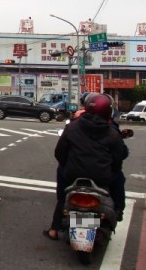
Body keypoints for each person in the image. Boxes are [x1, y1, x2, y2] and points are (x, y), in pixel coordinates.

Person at [43, 94, 128, 240]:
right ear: (108, 111)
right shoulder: (112, 131)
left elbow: (59, 153)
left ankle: (54, 229)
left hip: (72, 175)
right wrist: (113, 168)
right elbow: (119, 157)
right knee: (119, 177)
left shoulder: (72, 126)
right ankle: (118, 209)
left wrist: (66, 165)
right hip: (102, 177)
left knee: (62, 193)